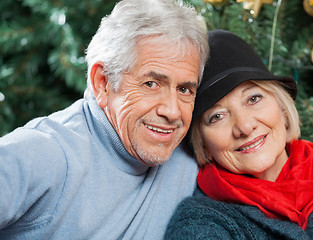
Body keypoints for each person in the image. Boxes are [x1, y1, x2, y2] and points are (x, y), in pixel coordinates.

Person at [0, 0, 209, 239]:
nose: (172, 112)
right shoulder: (44, 153)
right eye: (150, 84)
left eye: (184, 90)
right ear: (103, 82)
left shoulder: (190, 156)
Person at [165, 30, 313, 239]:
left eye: (253, 99)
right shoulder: (198, 223)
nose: (245, 127)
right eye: (217, 116)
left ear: (282, 108)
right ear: (203, 144)